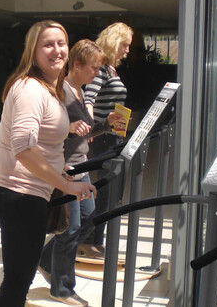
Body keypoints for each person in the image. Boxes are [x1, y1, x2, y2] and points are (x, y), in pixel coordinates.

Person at [0, 21, 96, 307]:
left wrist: (59, 168)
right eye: (48, 44)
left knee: (19, 277)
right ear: (33, 53)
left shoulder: (49, 88)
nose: (57, 50)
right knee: (18, 280)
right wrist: (66, 185)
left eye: (61, 43)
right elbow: (24, 149)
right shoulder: (30, 90)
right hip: (17, 193)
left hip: (25, 191)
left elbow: (43, 142)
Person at [38, 39, 123, 306]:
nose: (97, 74)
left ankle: (46, 259)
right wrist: (69, 128)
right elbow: (45, 132)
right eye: (94, 68)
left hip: (81, 165)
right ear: (76, 64)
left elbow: (84, 133)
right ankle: (61, 288)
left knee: (88, 220)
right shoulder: (60, 91)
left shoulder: (80, 90)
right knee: (71, 228)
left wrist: (105, 124)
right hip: (65, 170)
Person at [81, 22, 133, 257]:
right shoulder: (101, 68)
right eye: (125, 45)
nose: (127, 50)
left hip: (112, 135)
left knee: (111, 191)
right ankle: (89, 239)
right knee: (106, 190)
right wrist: (91, 128)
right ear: (114, 41)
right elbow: (89, 98)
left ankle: (94, 238)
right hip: (102, 138)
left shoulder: (111, 69)